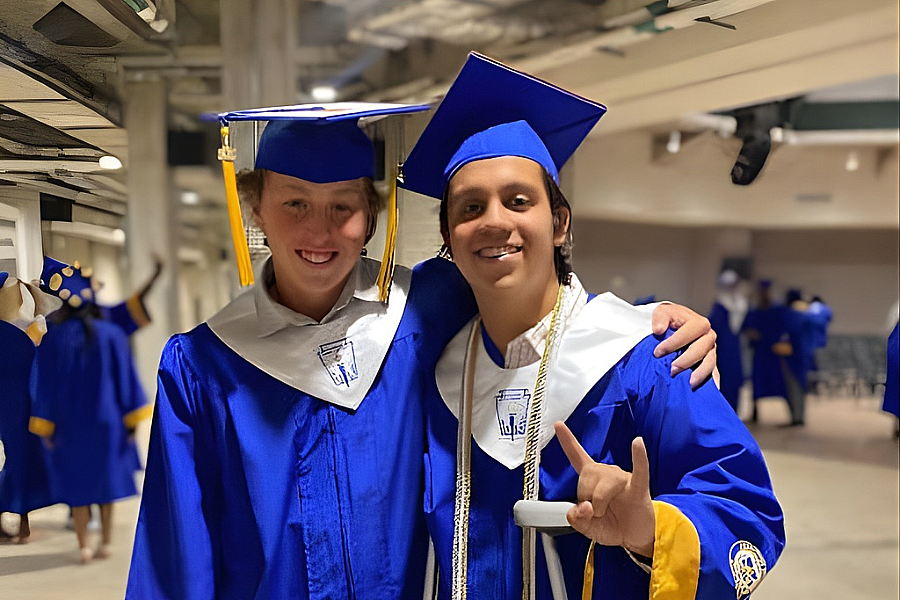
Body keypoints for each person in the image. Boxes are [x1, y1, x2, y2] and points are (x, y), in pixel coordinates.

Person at [126, 103, 717, 599]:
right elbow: (176, 548)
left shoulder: (421, 310)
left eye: (344, 206)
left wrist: (652, 317)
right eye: (294, 203)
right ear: (256, 210)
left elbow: (525, 283)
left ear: (372, 216)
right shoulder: (203, 364)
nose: (320, 230)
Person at [400, 52, 784, 600]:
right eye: (469, 208)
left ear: (558, 223)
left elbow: (750, 515)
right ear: (449, 239)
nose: (493, 221)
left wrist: (653, 529)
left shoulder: (648, 360)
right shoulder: (438, 374)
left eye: (517, 200)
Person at [29, 260, 151, 563]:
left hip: (69, 426)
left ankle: (83, 545)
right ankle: (106, 543)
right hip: (107, 423)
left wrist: (45, 425)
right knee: (105, 484)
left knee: (78, 486)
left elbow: (45, 384)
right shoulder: (112, 335)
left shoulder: (53, 339)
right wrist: (132, 423)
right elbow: (126, 379)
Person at [0, 272, 60, 542]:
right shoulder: (26, 329)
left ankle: (19, 518)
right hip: (21, 406)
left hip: (24, 406)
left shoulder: (27, 326)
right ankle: (20, 519)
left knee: (20, 459)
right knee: (20, 459)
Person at [742, 280, 787, 422]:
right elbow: (745, 328)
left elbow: (783, 327)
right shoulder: (755, 311)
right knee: (757, 383)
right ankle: (755, 413)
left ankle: (792, 414)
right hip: (760, 352)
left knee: (781, 382)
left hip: (774, 352)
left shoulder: (777, 311)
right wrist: (752, 334)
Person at [708, 269, 747, 411]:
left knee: (735, 380)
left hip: (735, 348)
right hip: (723, 349)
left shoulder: (740, 303)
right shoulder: (720, 306)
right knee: (724, 379)